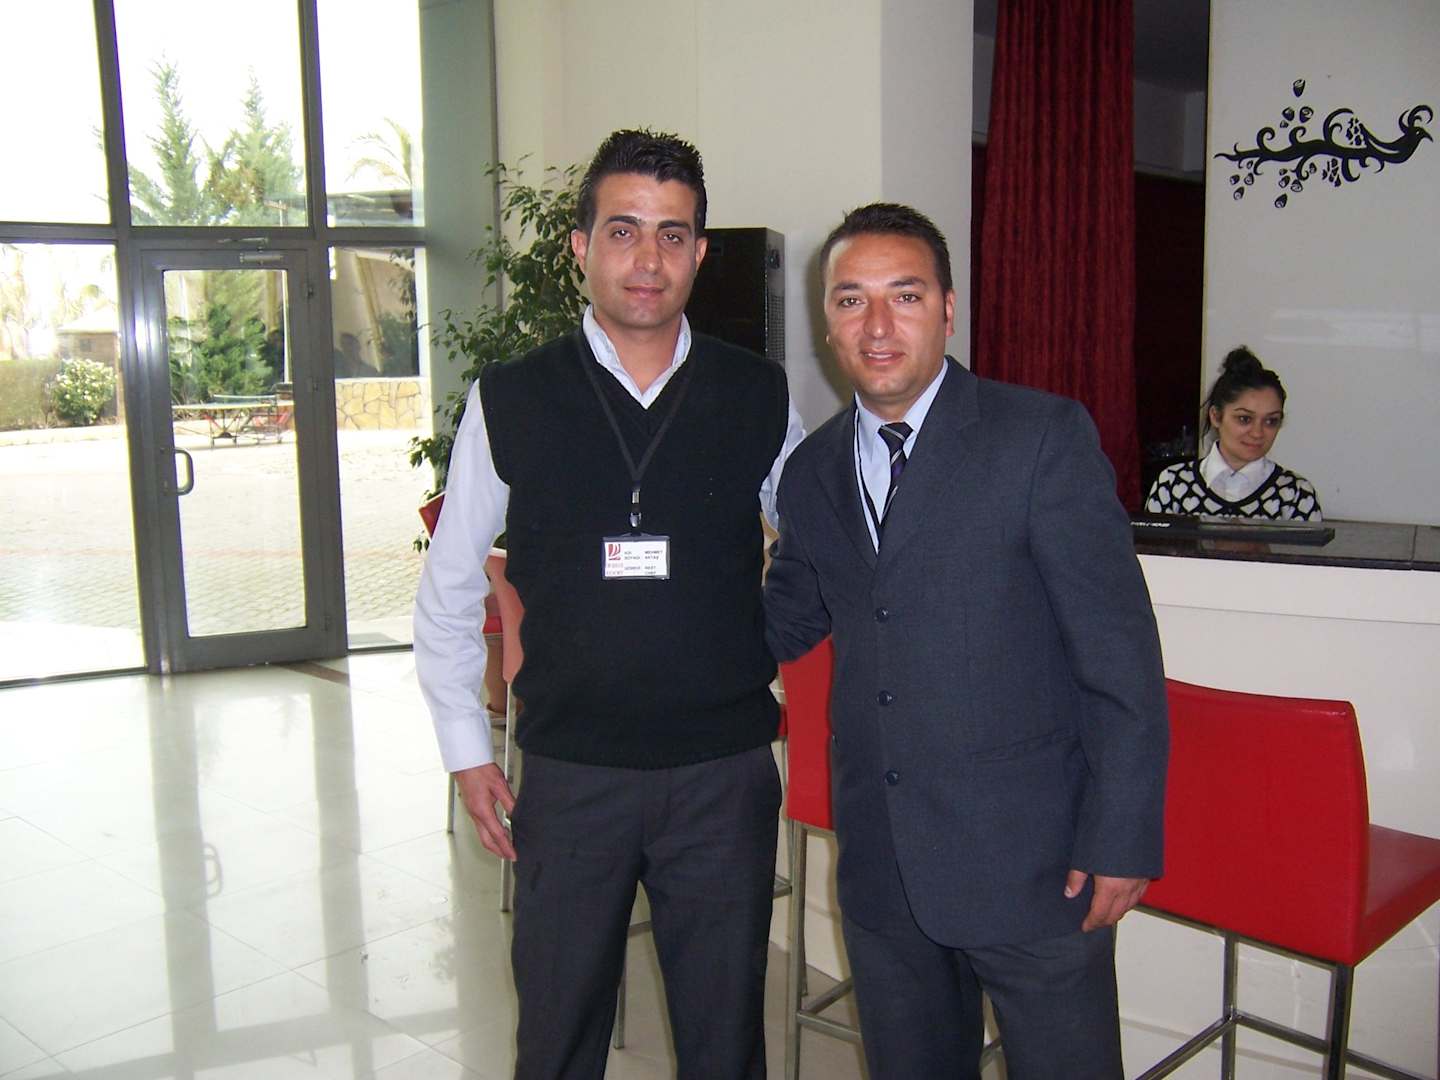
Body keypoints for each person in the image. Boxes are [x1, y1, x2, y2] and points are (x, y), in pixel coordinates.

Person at [414, 129, 805, 1079]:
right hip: (571, 774)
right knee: (556, 1041)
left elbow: (818, 551)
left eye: (673, 235)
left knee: (725, 1045)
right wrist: (467, 749)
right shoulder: (512, 398)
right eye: (624, 231)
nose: (648, 259)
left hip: (721, 778)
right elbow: (451, 581)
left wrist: (762, 642)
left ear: (700, 254)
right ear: (580, 247)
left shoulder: (757, 395)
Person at [764, 203, 1169, 1079]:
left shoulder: (1040, 438)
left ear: (948, 310)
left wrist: (1123, 834)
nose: (877, 325)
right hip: (883, 868)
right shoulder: (811, 471)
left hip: (1035, 866)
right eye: (851, 299)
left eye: (904, 296)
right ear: (826, 320)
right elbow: (788, 615)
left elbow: (1120, 653)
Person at [1145, 346, 1322, 520]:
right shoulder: (1173, 485)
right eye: (1244, 419)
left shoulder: (1296, 495)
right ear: (1216, 416)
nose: (1257, 433)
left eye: (1270, 421)